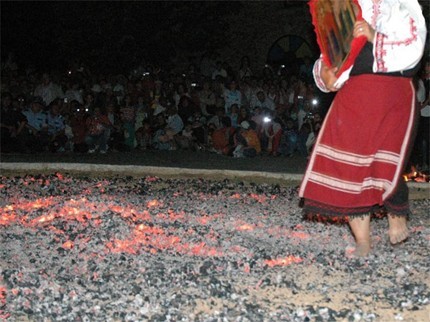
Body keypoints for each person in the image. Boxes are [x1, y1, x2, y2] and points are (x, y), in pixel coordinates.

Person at [299, 0, 427, 257]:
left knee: (385, 163)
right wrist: (326, 73)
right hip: (354, 93)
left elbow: (415, 47)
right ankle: (363, 240)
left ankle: (396, 212)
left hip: (392, 91)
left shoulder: (402, 4)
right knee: (348, 170)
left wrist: (373, 35)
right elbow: (330, 51)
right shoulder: (342, 5)